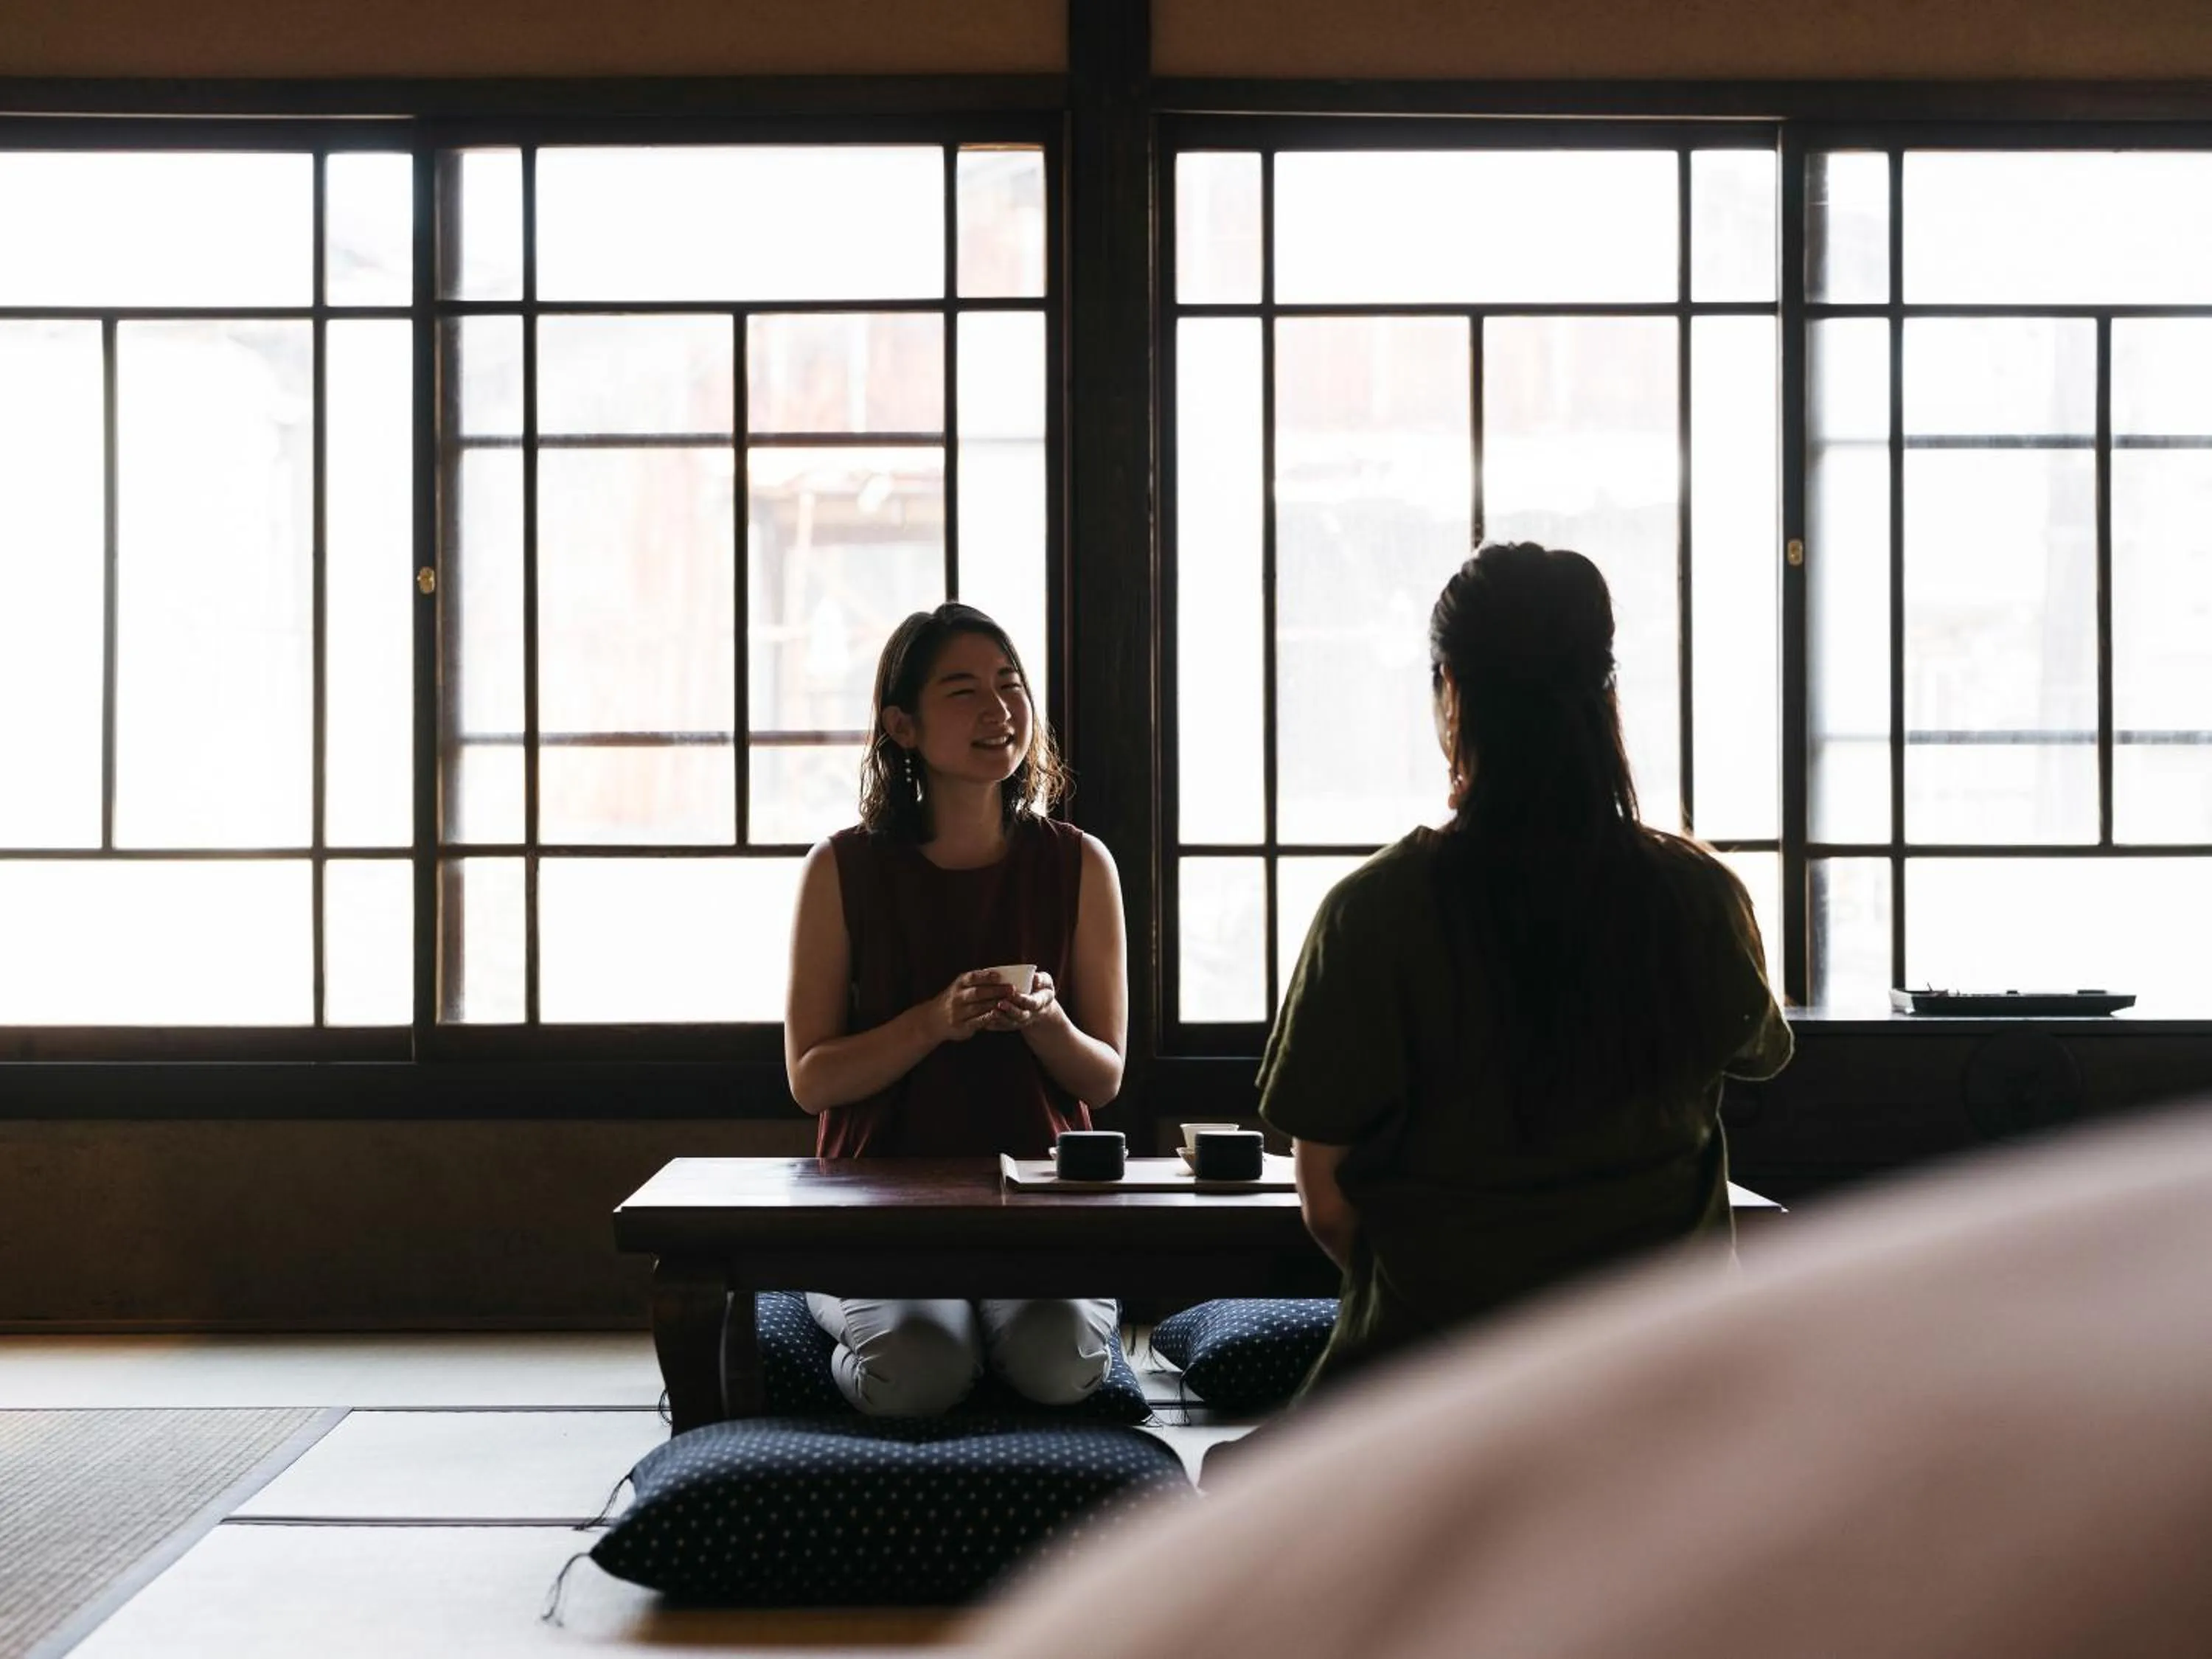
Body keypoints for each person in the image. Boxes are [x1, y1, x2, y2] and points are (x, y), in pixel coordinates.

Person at [1259, 540, 1792, 1402]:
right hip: (1673, 1387)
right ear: (1605, 696)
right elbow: (1756, 1053)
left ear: (1452, 694)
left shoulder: (1374, 913)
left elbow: (1326, 1201)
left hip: (1428, 1389)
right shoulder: (1697, 897)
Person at [783, 602, 1130, 1417]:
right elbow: (811, 1080)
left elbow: (1105, 1078)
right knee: (918, 1374)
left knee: (1061, 1365)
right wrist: (933, 1022)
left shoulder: (1081, 864)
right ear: (902, 726)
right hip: (876, 1210)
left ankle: (992, 1349)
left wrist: (1047, 1024)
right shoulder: (840, 869)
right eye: (964, 690)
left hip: (1039, 1208)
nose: (999, 710)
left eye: (1010, 685)